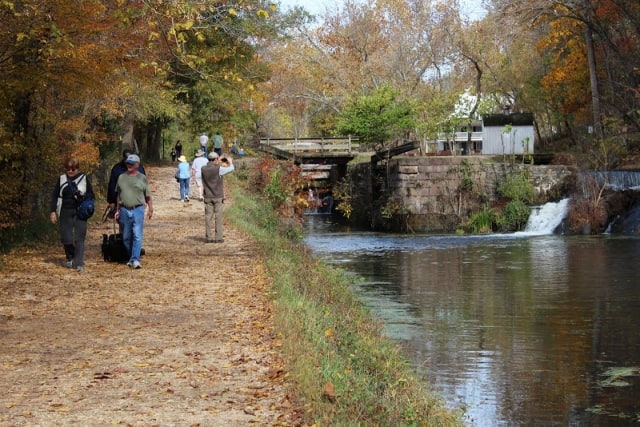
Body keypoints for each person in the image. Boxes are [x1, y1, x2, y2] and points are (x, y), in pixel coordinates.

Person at [50, 157, 95, 272]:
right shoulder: (61, 179)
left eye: (73, 169)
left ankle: (79, 262)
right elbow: (55, 195)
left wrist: (82, 196)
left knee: (79, 238)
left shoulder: (84, 178)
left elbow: (91, 195)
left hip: (80, 211)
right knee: (67, 238)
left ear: (77, 169)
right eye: (68, 168)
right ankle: (70, 256)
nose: (70, 171)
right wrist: (53, 211)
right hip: (65, 211)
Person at [114, 154, 153, 269]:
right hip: (124, 209)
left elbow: (148, 195)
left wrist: (150, 209)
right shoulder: (121, 177)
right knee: (126, 237)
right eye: (127, 163)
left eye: (131, 163)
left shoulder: (142, 178)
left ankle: (135, 259)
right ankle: (132, 256)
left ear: (137, 165)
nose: (129, 165)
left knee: (137, 235)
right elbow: (118, 195)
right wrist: (117, 210)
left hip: (138, 209)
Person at [201, 152, 234, 243]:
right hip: (218, 196)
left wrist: (219, 161)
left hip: (208, 196)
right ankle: (218, 237)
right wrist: (230, 162)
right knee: (218, 217)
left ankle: (209, 237)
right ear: (215, 159)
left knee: (208, 217)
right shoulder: (218, 169)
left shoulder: (203, 169)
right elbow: (231, 169)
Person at [107, 149, 146, 217]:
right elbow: (112, 186)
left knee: (136, 225)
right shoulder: (117, 169)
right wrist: (112, 201)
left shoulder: (140, 169)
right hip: (121, 203)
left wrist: (145, 199)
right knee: (123, 224)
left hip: (137, 202)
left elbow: (144, 185)